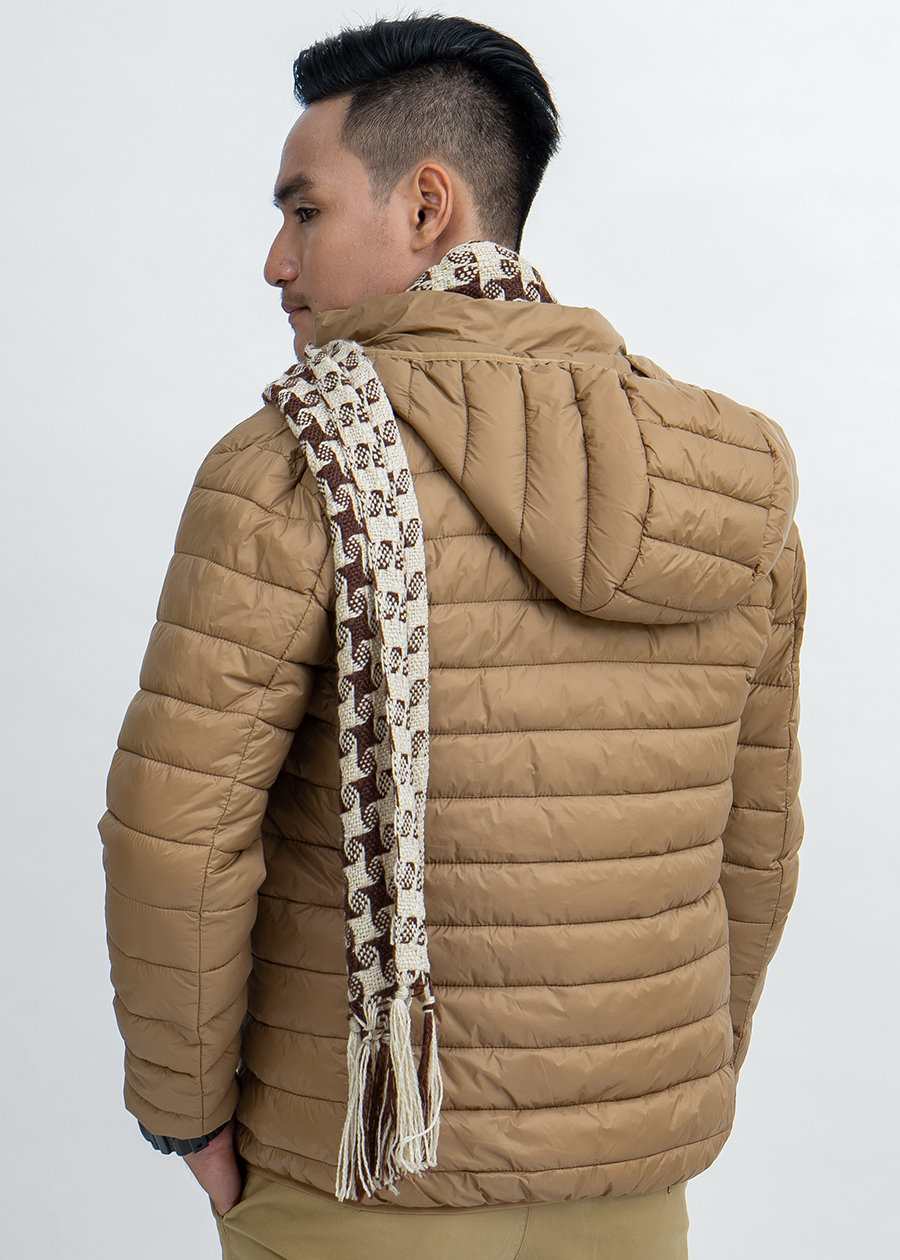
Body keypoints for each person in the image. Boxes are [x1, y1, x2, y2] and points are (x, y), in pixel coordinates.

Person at [100, 14, 806, 1260]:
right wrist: (657, 1092)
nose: (275, 260)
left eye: (305, 210)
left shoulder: (290, 468)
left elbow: (178, 840)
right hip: (631, 1195)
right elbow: (755, 844)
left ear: (427, 207)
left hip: (358, 1183)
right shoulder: (725, 481)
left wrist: (186, 1117)